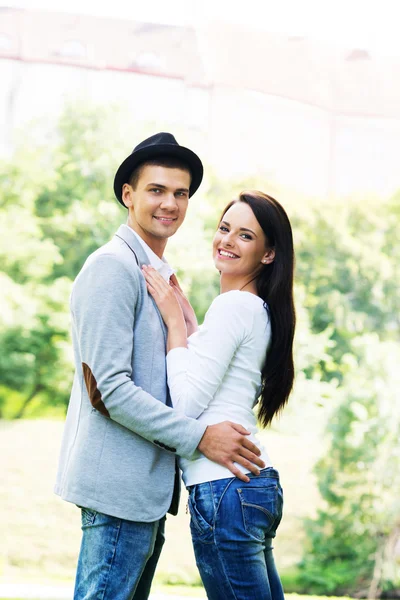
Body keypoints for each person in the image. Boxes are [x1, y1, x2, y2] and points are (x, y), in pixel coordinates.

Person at [54, 133, 265, 600]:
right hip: (118, 492)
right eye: (156, 190)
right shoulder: (112, 267)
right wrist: (200, 437)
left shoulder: (156, 273)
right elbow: (109, 389)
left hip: (145, 492)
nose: (170, 202)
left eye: (181, 193)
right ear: (128, 195)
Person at [143, 190, 296, 600]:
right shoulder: (255, 308)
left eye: (245, 236)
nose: (227, 240)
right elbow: (216, 378)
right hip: (252, 485)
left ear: (268, 254)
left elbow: (188, 405)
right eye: (224, 228)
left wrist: (175, 325)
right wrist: (191, 327)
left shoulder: (234, 308)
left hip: (224, 488)